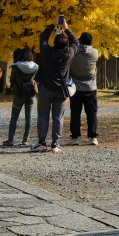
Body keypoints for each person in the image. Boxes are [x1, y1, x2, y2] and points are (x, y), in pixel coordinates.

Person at [32, 17, 78, 152]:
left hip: (46, 87)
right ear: (66, 44)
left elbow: (43, 37)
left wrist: (53, 25)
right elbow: (75, 42)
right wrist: (66, 28)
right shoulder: (68, 53)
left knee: (43, 114)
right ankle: (55, 143)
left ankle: (41, 142)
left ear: (54, 42)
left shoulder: (46, 52)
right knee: (58, 117)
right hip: (61, 89)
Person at [69, 31, 100, 146]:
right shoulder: (95, 53)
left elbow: (73, 45)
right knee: (92, 113)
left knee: (75, 112)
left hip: (76, 87)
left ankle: (75, 137)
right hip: (90, 87)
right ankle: (93, 137)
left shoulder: (74, 51)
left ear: (80, 40)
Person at [4, 47, 37, 146]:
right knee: (29, 117)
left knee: (14, 117)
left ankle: (10, 140)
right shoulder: (36, 67)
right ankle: (25, 140)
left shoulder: (15, 67)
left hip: (19, 93)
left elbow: (11, 81)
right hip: (31, 94)